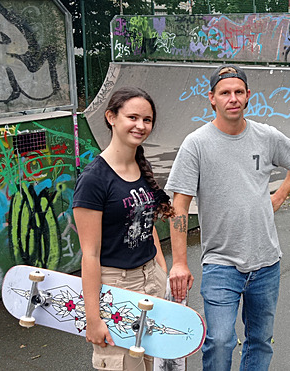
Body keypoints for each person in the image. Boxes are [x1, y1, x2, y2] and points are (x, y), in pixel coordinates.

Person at [165, 64, 290, 371]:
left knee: (260, 340)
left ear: (247, 97)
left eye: (238, 92)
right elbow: (179, 207)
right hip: (221, 264)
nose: (232, 98)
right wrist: (179, 262)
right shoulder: (197, 144)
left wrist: (280, 195)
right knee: (219, 341)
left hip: (267, 261)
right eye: (225, 93)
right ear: (212, 98)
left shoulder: (265, 135)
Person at [73, 87, 174, 371]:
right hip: (116, 286)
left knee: (152, 364)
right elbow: (90, 254)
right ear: (111, 117)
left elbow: (144, 221)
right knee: (123, 366)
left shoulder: (140, 168)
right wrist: (93, 318)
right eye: (133, 117)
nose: (141, 126)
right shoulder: (94, 179)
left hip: (150, 279)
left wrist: (161, 269)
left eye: (147, 120)